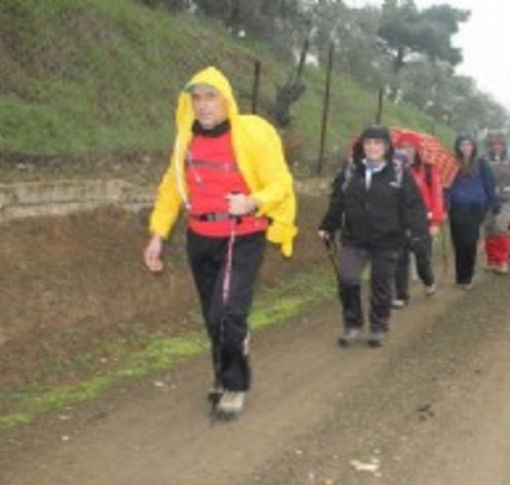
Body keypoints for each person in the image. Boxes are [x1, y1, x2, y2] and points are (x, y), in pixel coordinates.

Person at [143, 66, 297, 418]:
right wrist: (157, 235)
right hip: (200, 236)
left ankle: (235, 385)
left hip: (242, 234)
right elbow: (170, 189)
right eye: (196, 97)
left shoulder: (252, 136)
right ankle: (222, 371)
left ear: (226, 99)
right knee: (214, 316)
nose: (203, 104)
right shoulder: (186, 141)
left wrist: (253, 201)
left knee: (227, 312)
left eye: (210, 96)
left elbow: (280, 183)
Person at [318, 125, 429, 348]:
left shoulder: (398, 172)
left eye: (378, 143)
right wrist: (328, 226)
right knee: (347, 281)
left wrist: (419, 234)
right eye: (368, 143)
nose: (372, 147)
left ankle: (378, 326)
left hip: (387, 240)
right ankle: (353, 325)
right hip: (353, 237)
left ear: (387, 147)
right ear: (362, 146)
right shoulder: (350, 170)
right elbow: (338, 201)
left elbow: (413, 206)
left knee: (381, 285)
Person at [392, 131, 444, 308]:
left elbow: (437, 195)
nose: (407, 151)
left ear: (417, 150)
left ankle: (428, 280)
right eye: (402, 147)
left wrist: (436, 222)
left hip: (422, 220)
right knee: (399, 258)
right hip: (398, 220)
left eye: (410, 147)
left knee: (422, 257)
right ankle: (401, 295)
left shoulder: (429, 169)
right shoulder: (392, 170)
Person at [446, 132, 499, 287]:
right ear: (458, 146)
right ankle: (459, 276)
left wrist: (494, 203)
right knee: (458, 243)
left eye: (468, 144)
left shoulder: (481, 163)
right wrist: (444, 202)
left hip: (476, 207)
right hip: (456, 207)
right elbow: (445, 184)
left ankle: (467, 277)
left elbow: (489, 184)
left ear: (473, 146)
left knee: (470, 241)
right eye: (462, 144)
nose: (465, 147)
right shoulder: (451, 163)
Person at [482, 133, 510, 274]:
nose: (496, 147)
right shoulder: (483, 160)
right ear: (489, 146)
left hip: (508, 198)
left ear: (504, 146)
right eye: (493, 144)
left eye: (499, 144)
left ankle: (502, 261)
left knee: (501, 227)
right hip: (489, 199)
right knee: (489, 228)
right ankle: (491, 260)